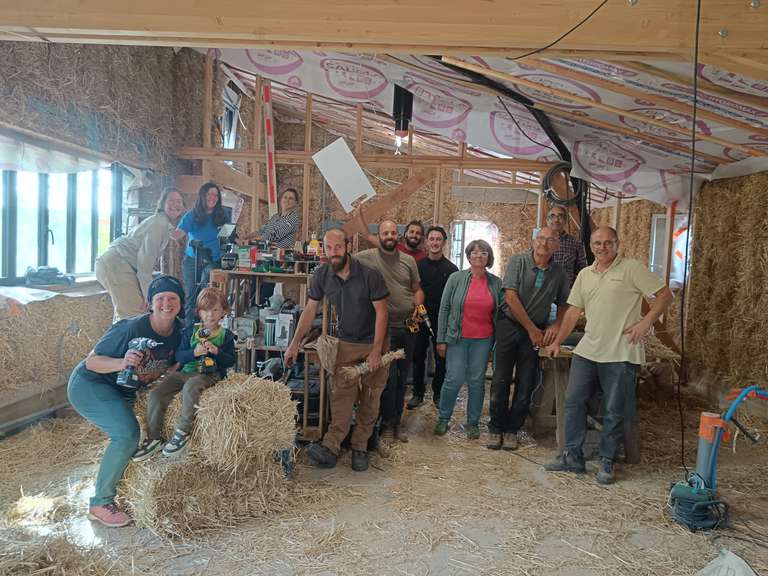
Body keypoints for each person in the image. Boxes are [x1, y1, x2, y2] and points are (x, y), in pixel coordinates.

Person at [544, 226, 673, 484]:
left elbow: (664, 295)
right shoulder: (585, 274)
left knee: (614, 409)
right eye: (597, 243)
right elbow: (573, 312)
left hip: (620, 351)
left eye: (608, 242)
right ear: (591, 246)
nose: (602, 247)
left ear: (617, 244)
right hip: (588, 349)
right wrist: (557, 341)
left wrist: (646, 322)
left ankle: (607, 461)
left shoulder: (631, 268)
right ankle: (573, 456)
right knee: (573, 401)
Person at [67, 275, 184, 527]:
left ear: (181, 303)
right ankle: (100, 503)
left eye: (172, 298)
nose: (166, 304)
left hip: (126, 390)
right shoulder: (130, 328)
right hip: (91, 384)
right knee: (126, 434)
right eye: (160, 298)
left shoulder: (180, 332)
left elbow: (174, 364)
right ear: (149, 303)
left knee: (135, 436)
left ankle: (120, 489)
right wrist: (123, 362)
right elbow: (92, 362)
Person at [285, 228, 389, 472]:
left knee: (370, 397)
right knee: (341, 395)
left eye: (338, 247)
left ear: (349, 246)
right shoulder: (322, 275)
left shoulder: (370, 275)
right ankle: (331, 446)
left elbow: (382, 313)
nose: (333, 253)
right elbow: (310, 310)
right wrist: (294, 343)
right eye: (329, 248)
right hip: (346, 343)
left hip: (374, 342)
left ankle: (360, 447)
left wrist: (376, 351)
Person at [487, 227, 569, 451]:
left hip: (536, 330)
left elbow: (564, 303)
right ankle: (496, 428)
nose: (544, 243)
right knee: (501, 379)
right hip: (510, 325)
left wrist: (556, 324)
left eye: (550, 240)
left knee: (526, 382)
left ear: (557, 246)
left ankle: (512, 430)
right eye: (540, 238)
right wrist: (532, 329)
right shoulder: (518, 262)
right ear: (533, 241)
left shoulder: (559, 272)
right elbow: (510, 297)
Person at [133, 287, 236, 460]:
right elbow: (179, 356)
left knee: (191, 386)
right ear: (199, 312)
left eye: (215, 310)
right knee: (157, 392)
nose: (210, 315)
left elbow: (230, 361)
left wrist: (217, 352)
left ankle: (183, 431)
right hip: (185, 372)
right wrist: (194, 353)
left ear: (223, 312)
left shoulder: (226, 336)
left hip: (209, 375)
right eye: (205, 310)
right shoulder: (190, 332)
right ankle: (153, 437)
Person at [356, 220, 424, 442]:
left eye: (393, 233)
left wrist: (418, 307)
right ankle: (386, 425)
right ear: (379, 236)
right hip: (384, 329)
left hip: (408, 326)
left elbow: (417, 289)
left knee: (403, 378)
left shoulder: (408, 261)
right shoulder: (367, 257)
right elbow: (344, 263)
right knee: (388, 378)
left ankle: (396, 424)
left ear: (398, 236)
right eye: (385, 233)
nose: (389, 236)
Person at [434, 240, 502, 439]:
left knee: (476, 381)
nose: (478, 256)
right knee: (453, 379)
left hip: (483, 339)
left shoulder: (496, 283)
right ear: (468, 256)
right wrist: (441, 339)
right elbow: (444, 309)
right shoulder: (456, 278)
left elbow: (500, 313)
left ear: (489, 257)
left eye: (483, 253)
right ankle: (443, 418)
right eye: (474, 252)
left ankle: (472, 422)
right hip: (457, 337)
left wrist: (497, 342)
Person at [95, 188, 185, 321]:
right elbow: (144, 266)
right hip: (117, 263)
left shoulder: (162, 223)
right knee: (134, 315)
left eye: (179, 201)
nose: (175, 204)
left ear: (183, 207)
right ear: (162, 204)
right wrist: (150, 297)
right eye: (171, 200)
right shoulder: (159, 225)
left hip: (118, 263)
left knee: (128, 315)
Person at [407, 225, 458, 409]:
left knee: (441, 359)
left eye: (439, 239)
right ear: (426, 242)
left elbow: (454, 299)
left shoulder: (452, 269)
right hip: (420, 318)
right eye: (432, 239)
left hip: (441, 321)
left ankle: (438, 394)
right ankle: (418, 394)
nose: (435, 243)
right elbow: (412, 290)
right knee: (418, 356)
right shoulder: (417, 266)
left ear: (444, 243)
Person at [173, 182, 230, 328]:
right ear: (203, 196)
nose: (212, 197)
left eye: (215, 195)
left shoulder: (223, 215)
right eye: (209, 194)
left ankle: (207, 325)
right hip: (193, 259)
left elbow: (229, 236)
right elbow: (178, 234)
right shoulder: (192, 215)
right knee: (190, 294)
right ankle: (188, 328)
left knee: (206, 286)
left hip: (213, 259)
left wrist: (240, 240)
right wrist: (166, 228)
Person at [356, 207, 427, 261]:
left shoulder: (424, 257)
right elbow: (368, 236)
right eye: (411, 232)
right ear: (405, 234)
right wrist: (359, 216)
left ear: (421, 237)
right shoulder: (392, 247)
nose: (414, 235)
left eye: (418, 233)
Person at [547, 205, 587, 287]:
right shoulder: (538, 242)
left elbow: (582, 270)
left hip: (564, 291)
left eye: (560, 216)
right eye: (552, 216)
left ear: (565, 220)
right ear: (547, 220)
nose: (556, 220)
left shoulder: (576, 243)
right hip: (541, 290)